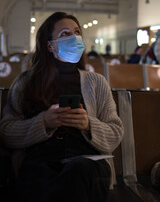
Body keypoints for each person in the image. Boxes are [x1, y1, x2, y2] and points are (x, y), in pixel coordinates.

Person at [0, 12, 124, 202]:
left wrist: (88, 125)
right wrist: (43, 123)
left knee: (77, 172)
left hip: (86, 160)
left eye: (77, 32)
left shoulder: (96, 82)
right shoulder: (26, 83)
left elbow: (115, 132)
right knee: (39, 176)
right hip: (41, 158)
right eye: (65, 34)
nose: (74, 38)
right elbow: (7, 132)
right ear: (50, 45)